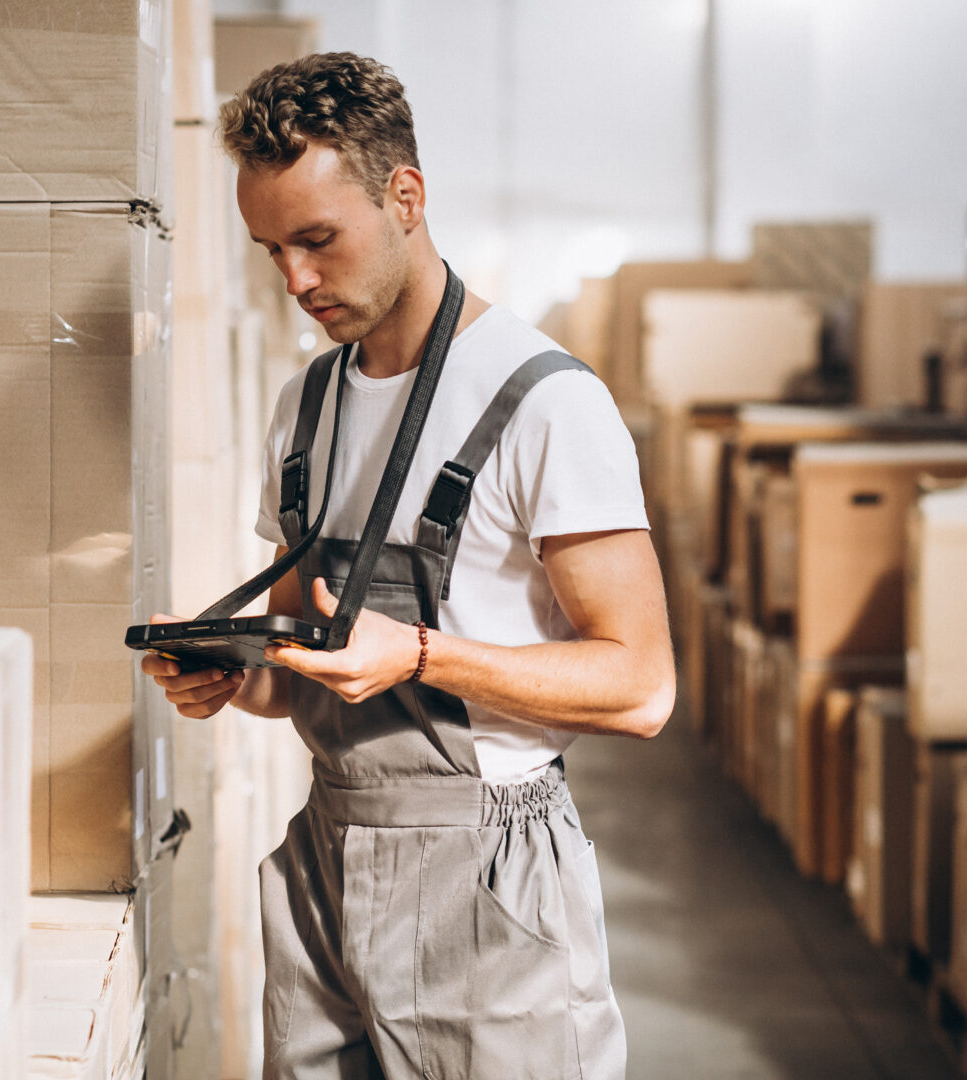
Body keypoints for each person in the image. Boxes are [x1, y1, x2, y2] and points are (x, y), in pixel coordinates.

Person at [141, 51, 673, 1080]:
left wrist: (422, 653)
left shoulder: (545, 402)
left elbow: (643, 686)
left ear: (406, 196)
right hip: (328, 858)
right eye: (269, 250)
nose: (295, 280)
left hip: (487, 883)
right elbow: (306, 670)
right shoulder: (306, 409)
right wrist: (234, 675)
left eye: (317, 240)